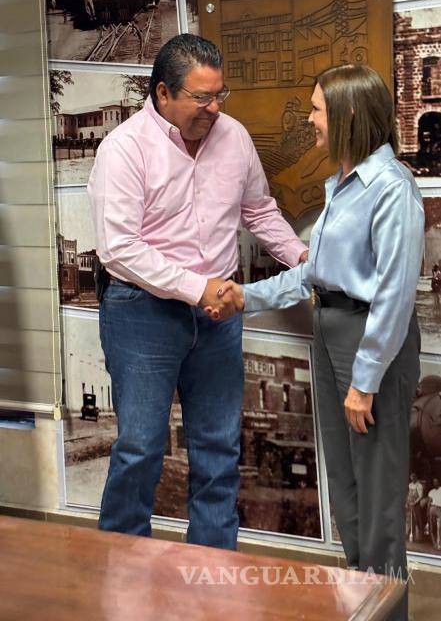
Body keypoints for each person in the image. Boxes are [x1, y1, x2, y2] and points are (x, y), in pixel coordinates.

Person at [210, 64, 424, 618]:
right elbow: (313, 275)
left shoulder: (391, 190)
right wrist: (244, 296)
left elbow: (396, 296)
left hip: (369, 340)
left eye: (316, 110)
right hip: (333, 336)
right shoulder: (343, 185)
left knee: (377, 498)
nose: (309, 121)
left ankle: (388, 612)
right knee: (348, 490)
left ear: (349, 114)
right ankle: (364, 603)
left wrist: (366, 381)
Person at [87, 33, 307, 549]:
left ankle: (214, 578)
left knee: (218, 449)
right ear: (163, 93)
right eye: (202, 97)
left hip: (218, 318)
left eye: (220, 94)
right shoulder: (123, 149)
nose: (214, 108)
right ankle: (120, 572)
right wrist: (196, 286)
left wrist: (300, 256)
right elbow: (118, 249)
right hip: (143, 314)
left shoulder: (234, 136)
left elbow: (258, 209)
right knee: (140, 448)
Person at [406, 472, 423, 542]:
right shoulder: (410, 485)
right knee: (409, 519)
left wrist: (415, 502)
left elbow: (420, 496)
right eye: (411, 478)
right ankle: (410, 535)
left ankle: (419, 537)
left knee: (417, 520)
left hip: (416, 504)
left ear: (416, 478)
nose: (412, 479)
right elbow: (408, 494)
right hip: (410, 503)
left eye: (413, 478)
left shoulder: (419, 485)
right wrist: (407, 502)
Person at [428, 478, 441, 550]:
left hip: (439, 509)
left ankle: (439, 544)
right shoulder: (431, 491)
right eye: (434, 482)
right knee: (432, 527)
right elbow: (429, 502)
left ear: (439, 482)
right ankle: (435, 544)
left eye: (436, 482)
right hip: (432, 508)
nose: (435, 483)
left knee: (439, 527)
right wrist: (428, 511)